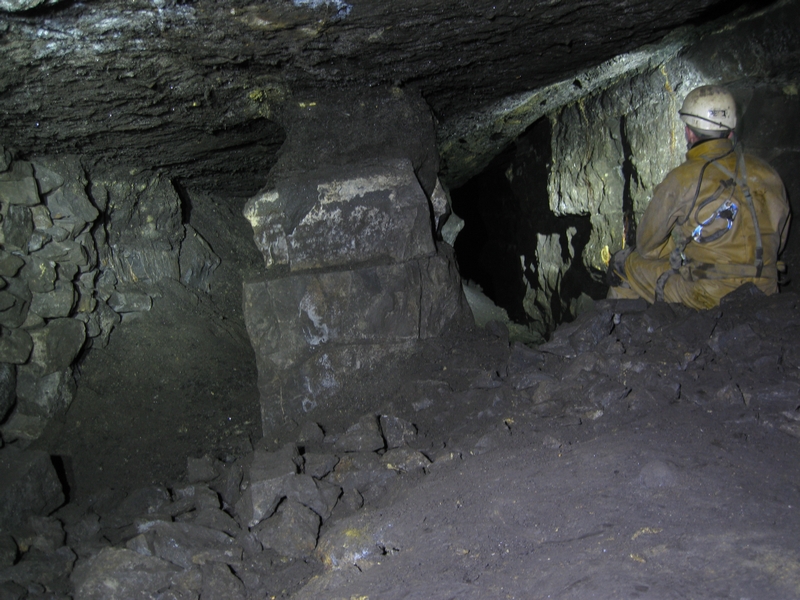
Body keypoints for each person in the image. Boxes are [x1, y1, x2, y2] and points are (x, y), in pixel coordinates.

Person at [607, 85, 791, 310]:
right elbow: (778, 240)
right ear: (731, 131)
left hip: (709, 295)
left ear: (689, 132)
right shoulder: (768, 173)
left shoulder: (683, 178)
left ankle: (620, 335)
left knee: (623, 264)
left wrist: (677, 256)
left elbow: (647, 246)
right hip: (766, 289)